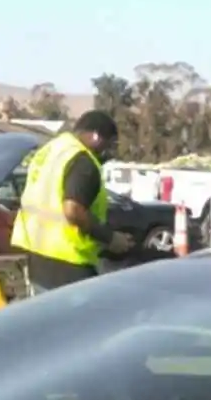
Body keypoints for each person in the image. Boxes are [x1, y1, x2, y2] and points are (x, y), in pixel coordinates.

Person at [10, 110, 133, 292]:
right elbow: (73, 209)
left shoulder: (51, 151)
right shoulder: (83, 161)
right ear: (97, 136)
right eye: (111, 144)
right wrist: (111, 238)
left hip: (37, 256)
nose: (111, 152)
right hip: (69, 262)